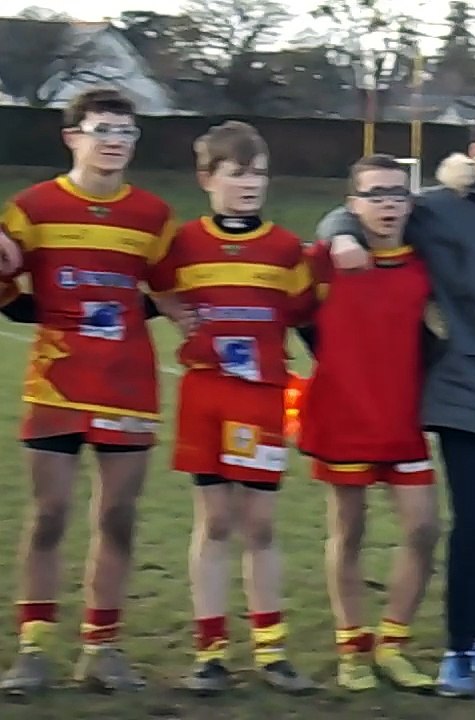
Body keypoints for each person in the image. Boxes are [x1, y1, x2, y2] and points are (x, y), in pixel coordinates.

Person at [315, 110, 475, 697]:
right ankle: (453, 652)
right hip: (460, 387)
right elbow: (363, 206)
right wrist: (343, 231)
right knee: (471, 521)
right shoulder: (440, 205)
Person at [0, 87, 176, 695]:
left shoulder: (153, 215)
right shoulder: (32, 206)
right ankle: (33, 649)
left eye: (126, 131)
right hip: (56, 385)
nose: (114, 141)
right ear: (71, 136)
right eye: (102, 129)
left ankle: (102, 648)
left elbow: (172, 290)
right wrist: (31, 306)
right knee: (49, 517)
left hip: (128, 387)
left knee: (118, 519)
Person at [146, 120, 314, 695]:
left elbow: (305, 313)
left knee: (260, 524)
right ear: (207, 179)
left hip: (261, 397)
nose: (250, 184)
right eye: (238, 173)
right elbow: (153, 282)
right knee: (214, 521)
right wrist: (174, 311)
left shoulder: (286, 248)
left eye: (259, 173)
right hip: (205, 395)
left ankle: (271, 650)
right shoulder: (184, 242)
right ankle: (210, 651)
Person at [296, 154, 440, 693]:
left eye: (397, 194)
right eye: (375, 194)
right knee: (348, 532)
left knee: (425, 530)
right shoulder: (326, 261)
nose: (387, 204)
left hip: (403, 420)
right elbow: (293, 311)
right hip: (343, 417)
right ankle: (351, 646)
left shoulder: (425, 265)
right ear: (352, 204)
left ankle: (394, 642)